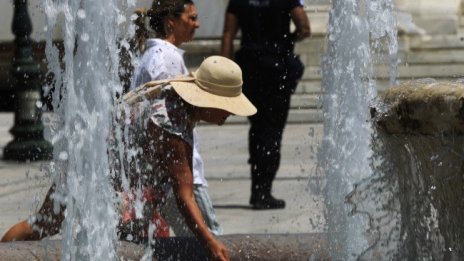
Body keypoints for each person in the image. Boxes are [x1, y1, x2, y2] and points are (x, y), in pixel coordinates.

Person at [1, 55, 257, 261]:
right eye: (227, 105)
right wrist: (210, 242)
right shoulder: (172, 127)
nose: (230, 113)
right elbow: (184, 196)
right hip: (92, 169)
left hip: (95, 162)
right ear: (208, 101)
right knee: (45, 224)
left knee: (49, 223)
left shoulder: (176, 100)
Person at [130, 0, 222, 236]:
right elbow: (165, 121)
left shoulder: (154, 54)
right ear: (171, 22)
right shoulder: (166, 59)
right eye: (190, 18)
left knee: (191, 244)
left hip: (166, 173)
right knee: (209, 240)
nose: (197, 24)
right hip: (179, 173)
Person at [220, 0, 310, 209]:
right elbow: (305, 27)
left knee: (257, 127)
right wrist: (287, 39)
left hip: (250, 66)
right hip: (277, 66)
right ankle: (263, 190)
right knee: (273, 130)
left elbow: (228, 35)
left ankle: (257, 189)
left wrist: (223, 72)